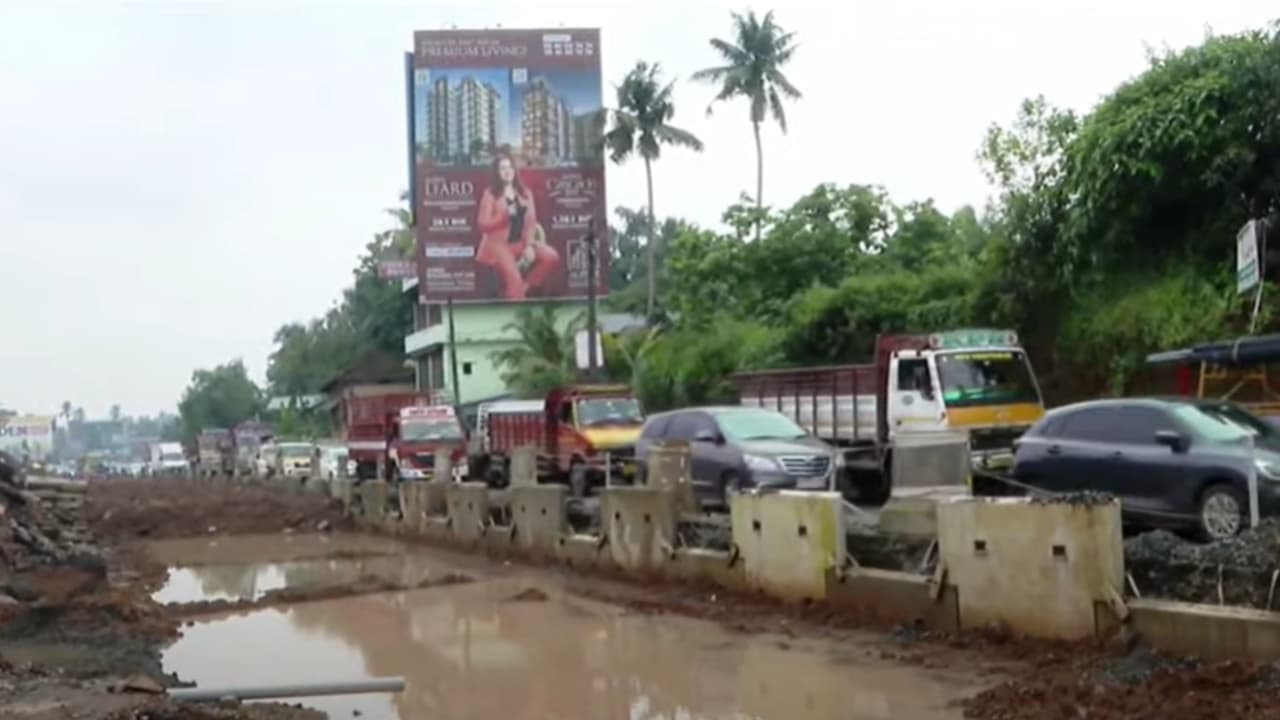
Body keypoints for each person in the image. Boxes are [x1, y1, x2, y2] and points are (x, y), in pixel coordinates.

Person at [475, 153, 559, 299]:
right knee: (514, 281)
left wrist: (529, 245)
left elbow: (531, 223)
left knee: (551, 256)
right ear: (497, 173)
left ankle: (525, 287)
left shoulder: (525, 193)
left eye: (510, 167)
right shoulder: (490, 194)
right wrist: (503, 218)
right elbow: (483, 225)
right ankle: (516, 296)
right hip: (498, 246)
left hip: (520, 242)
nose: (507, 171)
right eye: (502, 168)